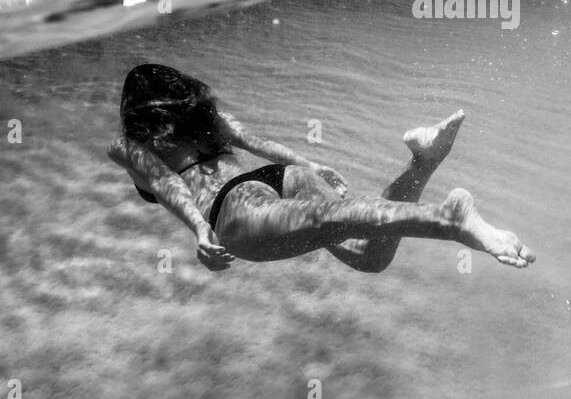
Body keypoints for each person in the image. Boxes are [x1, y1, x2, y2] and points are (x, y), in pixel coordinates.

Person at [107, 64, 535, 272]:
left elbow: (167, 185)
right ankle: (422, 162)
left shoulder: (128, 144)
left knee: (342, 219)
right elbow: (256, 143)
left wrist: (202, 229)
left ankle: (449, 218)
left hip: (232, 207)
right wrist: (307, 165)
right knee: (370, 255)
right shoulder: (205, 117)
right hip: (277, 178)